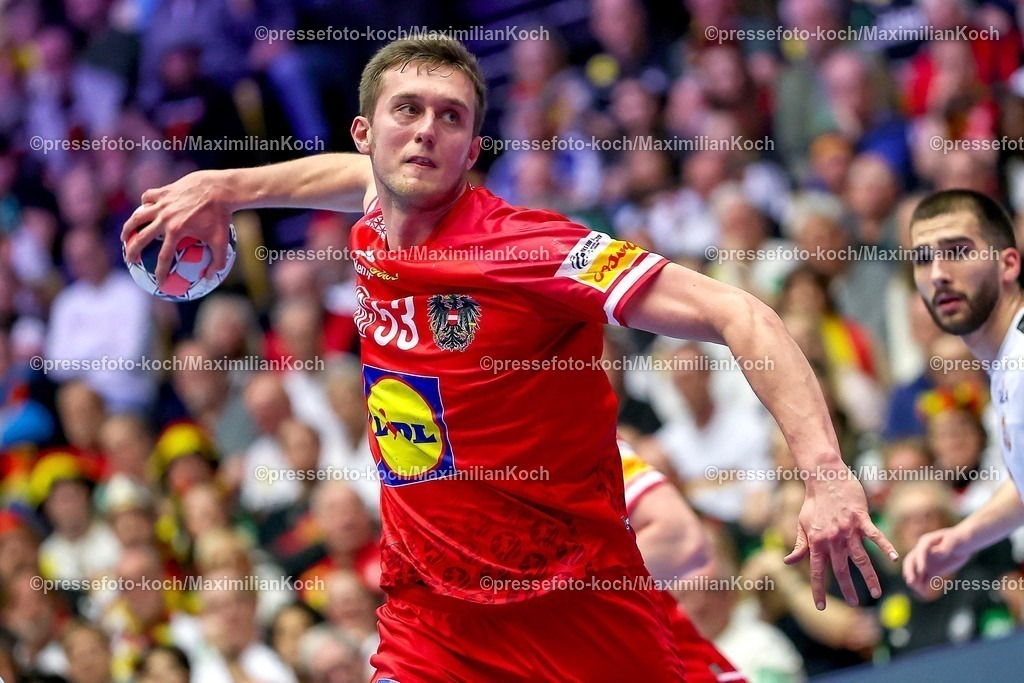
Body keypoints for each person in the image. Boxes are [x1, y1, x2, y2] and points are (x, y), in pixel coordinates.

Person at [124, 36, 896, 682]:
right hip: (432, 621)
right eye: (406, 110)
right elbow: (347, 179)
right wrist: (225, 186)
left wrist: (826, 473)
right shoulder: (375, 214)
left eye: (450, 117)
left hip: (576, 612)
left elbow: (741, 313)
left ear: (472, 150)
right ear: (365, 133)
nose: (426, 132)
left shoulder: (530, 248)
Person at [901, 189, 1024, 596]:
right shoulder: (1007, 366)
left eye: (957, 251)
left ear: (1008, 264)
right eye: (923, 258)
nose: (938, 273)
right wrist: (963, 539)